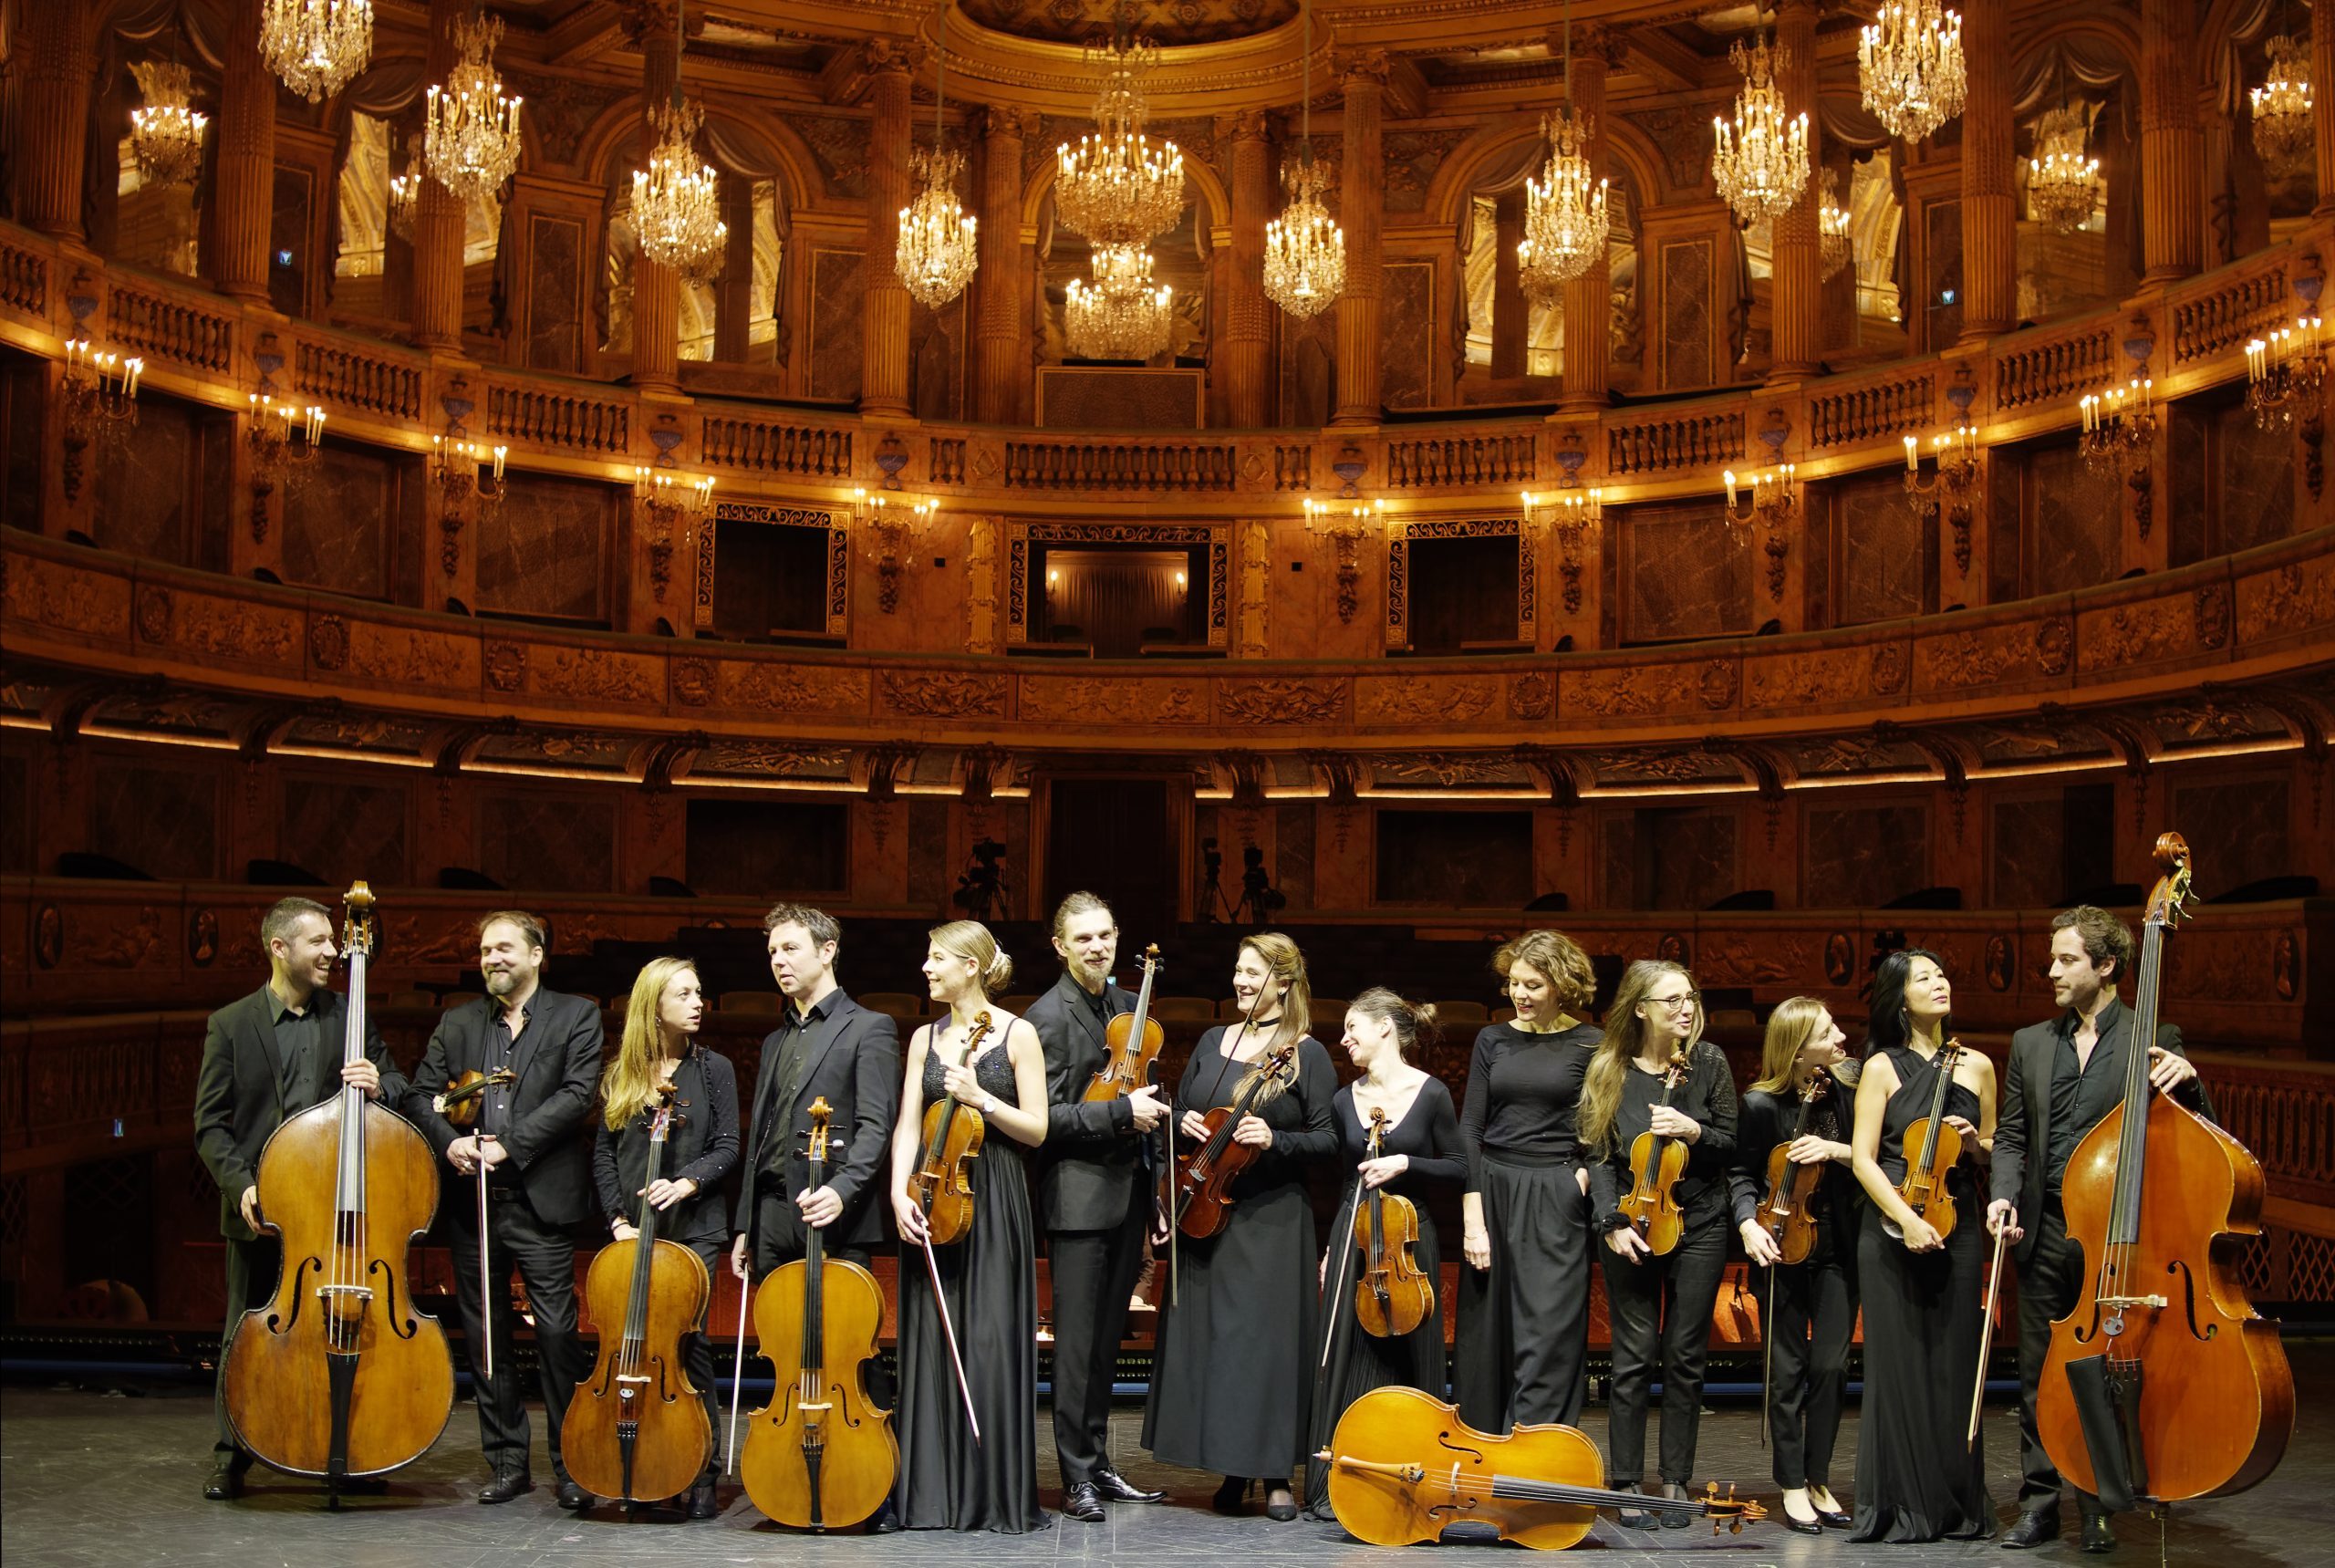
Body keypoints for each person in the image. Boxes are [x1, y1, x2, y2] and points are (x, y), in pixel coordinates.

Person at [1988, 907, 2207, 1556]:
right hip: (2046, 1228)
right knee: (2037, 1376)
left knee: (2100, 1373)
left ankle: (2099, 1505)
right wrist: (2002, 1195)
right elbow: (2011, 1138)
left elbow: (2192, 1131)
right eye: (2052, 958)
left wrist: (2190, 1084)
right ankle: (2039, 1503)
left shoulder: (2153, 1034)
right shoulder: (2030, 1041)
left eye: (2066, 959)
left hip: (2119, 1238)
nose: (2051, 970)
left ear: (2107, 966)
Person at [193, 896, 405, 1501]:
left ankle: (348, 1447)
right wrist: (243, 1186)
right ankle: (231, 1455)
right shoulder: (230, 1024)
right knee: (244, 1331)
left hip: (333, 1208)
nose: (334, 952)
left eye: (336, 941)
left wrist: (379, 1083)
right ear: (279, 947)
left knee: (344, 1327)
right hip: (263, 1211)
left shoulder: (349, 1015)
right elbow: (211, 1125)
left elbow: (398, 1084)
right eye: (319, 941)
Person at [406, 910, 605, 1509]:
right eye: (485, 948)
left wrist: (508, 1143)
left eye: (505, 948)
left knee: (556, 1335)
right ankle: (506, 1461)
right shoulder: (458, 1021)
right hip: (474, 1202)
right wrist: (451, 1140)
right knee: (486, 1338)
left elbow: (578, 1093)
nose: (492, 957)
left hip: (540, 1201)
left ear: (538, 953)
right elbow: (419, 1092)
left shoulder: (577, 1014)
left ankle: (573, 1464)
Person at [1143, 933, 1339, 1522]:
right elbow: (1183, 1108)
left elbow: (1331, 1138)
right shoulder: (1212, 1040)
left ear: (1284, 980)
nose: (1240, 981)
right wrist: (1184, 1126)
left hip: (1271, 1217)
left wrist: (1275, 1137)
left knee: (1267, 1348)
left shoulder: (1308, 1051)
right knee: (1221, 1347)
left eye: (1253, 972)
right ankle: (1232, 1466)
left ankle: (1277, 1473)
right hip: (1205, 1206)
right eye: (1237, 969)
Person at [731, 900, 902, 1516]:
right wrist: (747, 1220)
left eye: (790, 948)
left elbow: (877, 1125)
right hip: (775, 1211)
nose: (778, 960)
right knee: (784, 1350)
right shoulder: (777, 1037)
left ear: (828, 950)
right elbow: (760, 1138)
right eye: (772, 950)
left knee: (846, 1349)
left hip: (835, 1210)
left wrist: (844, 1188)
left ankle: (875, 1483)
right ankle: (791, 1474)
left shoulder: (870, 1025)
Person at [888, 920, 1053, 1532]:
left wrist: (982, 1098)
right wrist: (899, 1190)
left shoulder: (1018, 1033)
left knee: (988, 1339)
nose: (927, 968)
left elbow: (1037, 1127)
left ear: (973, 966)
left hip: (996, 1194)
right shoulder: (923, 1037)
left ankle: (992, 1495)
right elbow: (908, 1122)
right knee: (932, 1341)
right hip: (930, 1194)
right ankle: (930, 1496)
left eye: (938, 958)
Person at [1023, 892, 1169, 1521]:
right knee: (1078, 1346)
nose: (1097, 946)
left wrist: (1159, 1188)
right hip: (1078, 1199)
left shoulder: (1126, 1006)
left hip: (1129, 1194)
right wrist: (1118, 1113)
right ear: (1060, 945)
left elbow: (1146, 1098)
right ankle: (1075, 1475)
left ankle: (1101, 1461)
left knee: (1108, 1343)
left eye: (1105, 935)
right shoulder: (1044, 1017)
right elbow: (1043, 1117)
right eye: (1083, 938)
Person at [1582, 959, 1738, 1529]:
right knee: (1631, 1357)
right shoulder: (1610, 1068)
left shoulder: (1710, 1062)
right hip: (1631, 1224)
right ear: (1641, 1008)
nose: (1685, 1009)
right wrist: (1610, 1221)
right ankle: (1625, 1479)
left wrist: (1696, 1132)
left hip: (1699, 1221)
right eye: (1671, 1000)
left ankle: (1674, 1479)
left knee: (1686, 1356)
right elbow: (1597, 1155)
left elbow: (1730, 1142)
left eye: (1690, 998)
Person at [1848, 949, 1998, 1543]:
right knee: (1899, 1367)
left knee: (1955, 1365)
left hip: (1957, 1224)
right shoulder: (1882, 1067)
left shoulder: (1979, 1065)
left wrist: (1977, 1142)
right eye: (1923, 977)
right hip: (1890, 1229)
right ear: (1898, 996)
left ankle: (1955, 1502)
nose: (1939, 982)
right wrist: (1906, 1217)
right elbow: (1862, 1157)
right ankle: (1902, 1503)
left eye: (1942, 972)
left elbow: (1993, 1147)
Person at [1302, 991, 1466, 1520]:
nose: (1344, 1038)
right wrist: (1331, 1245)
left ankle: (1418, 1482)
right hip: (1354, 1234)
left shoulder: (1433, 1093)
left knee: (1410, 1356)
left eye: (1354, 1027)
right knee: (1346, 1355)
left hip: (1408, 1240)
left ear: (1386, 1030)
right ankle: (1337, 1483)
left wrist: (1405, 1163)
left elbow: (1460, 1167)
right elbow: (1333, 1184)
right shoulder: (1342, 1099)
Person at [590, 958, 738, 1519]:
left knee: (687, 1344)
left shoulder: (713, 1068)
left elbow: (727, 1146)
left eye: (699, 992)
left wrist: (685, 1183)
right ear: (654, 1006)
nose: (699, 1001)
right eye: (685, 993)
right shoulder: (621, 1074)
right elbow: (605, 1155)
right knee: (633, 1343)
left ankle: (700, 1468)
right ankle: (643, 1456)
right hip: (633, 1230)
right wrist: (616, 1220)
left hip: (693, 1228)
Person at [1454, 929, 1602, 1436]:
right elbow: (1470, 1126)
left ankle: (1537, 1457)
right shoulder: (1491, 1038)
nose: (1519, 994)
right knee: (1487, 1331)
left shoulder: (1591, 1042)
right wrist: (1473, 1217)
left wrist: (1580, 1174)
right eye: (1514, 983)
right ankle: (1482, 1451)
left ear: (1561, 984)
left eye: (1532, 984)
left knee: (1549, 1330)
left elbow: (1603, 1124)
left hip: (1553, 1187)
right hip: (1493, 1185)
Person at [1730, 997, 1857, 1534]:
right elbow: (1739, 1173)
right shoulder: (1761, 1104)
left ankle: (1819, 1476)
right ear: (1799, 1047)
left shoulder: (1846, 1095)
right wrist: (1747, 1224)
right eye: (1828, 1032)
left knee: (1830, 1367)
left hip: (1838, 1246)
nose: (1840, 1039)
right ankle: (1790, 1482)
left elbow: (1870, 1153)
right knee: (1786, 1372)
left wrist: (1836, 1149)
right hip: (1779, 1240)